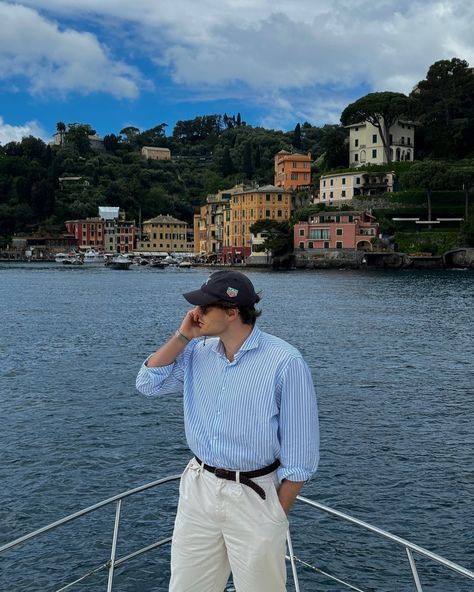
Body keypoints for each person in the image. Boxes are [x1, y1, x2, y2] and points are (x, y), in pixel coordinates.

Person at [136, 270, 319, 592]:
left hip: (255, 495)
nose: (196, 314)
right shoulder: (197, 352)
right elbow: (148, 384)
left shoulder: (285, 362)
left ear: (232, 312)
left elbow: (301, 457)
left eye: (204, 308)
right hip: (199, 487)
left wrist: (274, 514)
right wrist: (182, 336)